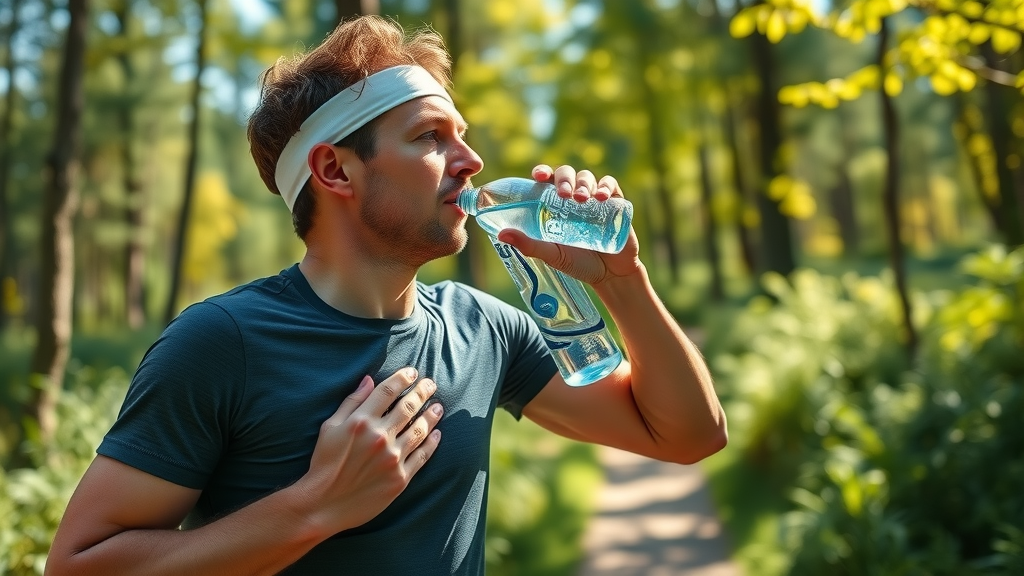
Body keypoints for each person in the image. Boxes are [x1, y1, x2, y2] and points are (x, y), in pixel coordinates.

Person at [46, 15, 726, 576]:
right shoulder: (221, 343)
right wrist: (314, 507)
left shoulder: (485, 330)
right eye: (431, 136)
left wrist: (621, 281)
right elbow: (77, 566)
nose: (471, 161)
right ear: (336, 169)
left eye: (462, 135)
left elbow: (687, 436)